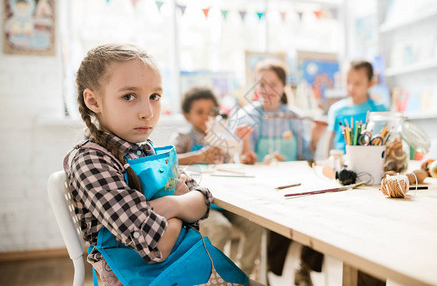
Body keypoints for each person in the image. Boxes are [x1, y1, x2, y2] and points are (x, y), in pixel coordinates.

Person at [64, 44, 263, 286]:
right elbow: (160, 244)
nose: (147, 111)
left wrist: (165, 208)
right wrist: (178, 206)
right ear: (93, 101)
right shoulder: (91, 161)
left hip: (185, 265)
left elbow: (202, 202)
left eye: (154, 97)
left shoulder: (146, 150)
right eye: (129, 96)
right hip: (146, 278)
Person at [234, 59, 326, 286]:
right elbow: (244, 159)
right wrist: (246, 153)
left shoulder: (294, 116)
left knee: (321, 211)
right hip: (260, 187)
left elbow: (305, 155)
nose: (266, 90)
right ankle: (269, 269)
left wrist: (315, 137)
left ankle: (303, 266)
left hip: (292, 183)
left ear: (284, 86)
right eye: (261, 84)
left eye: (273, 84)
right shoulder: (248, 115)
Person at [171, 86, 263, 276]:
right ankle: (212, 275)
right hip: (199, 205)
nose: (206, 117)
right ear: (187, 116)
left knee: (256, 223)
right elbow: (169, 161)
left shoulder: (222, 138)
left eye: (211, 112)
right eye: (199, 112)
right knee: (220, 228)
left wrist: (244, 157)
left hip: (225, 201)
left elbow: (231, 164)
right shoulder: (183, 138)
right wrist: (197, 156)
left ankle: (241, 274)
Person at [325, 60, 388, 154]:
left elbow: (385, 140)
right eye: (347, 82)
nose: (351, 87)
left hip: (371, 162)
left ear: (370, 83)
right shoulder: (336, 110)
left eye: (357, 83)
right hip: (343, 164)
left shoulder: (380, 109)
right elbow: (329, 141)